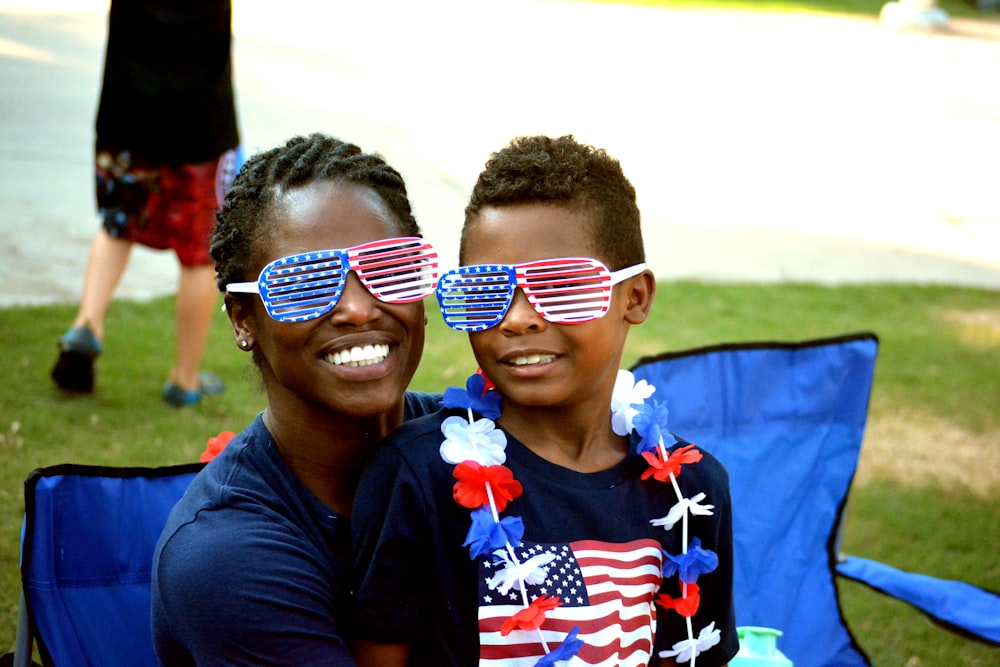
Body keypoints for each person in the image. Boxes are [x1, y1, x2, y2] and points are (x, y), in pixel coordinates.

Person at [352, 135, 738, 666]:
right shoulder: (418, 477)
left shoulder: (689, 490)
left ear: (635, 296)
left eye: (561, 286)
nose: (517, 317)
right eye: (486, 288)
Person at [151, 133, 441, 665]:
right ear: (244, 320)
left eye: (389, 267)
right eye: (305, 282)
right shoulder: (226, 560)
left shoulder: (475, 440)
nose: (358, 308)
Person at [50, 0, 241, 407]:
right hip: (200, 126)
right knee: (198, 256)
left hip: (126, 116)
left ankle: (87, 324)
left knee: (117, 225)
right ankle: (184, 380)